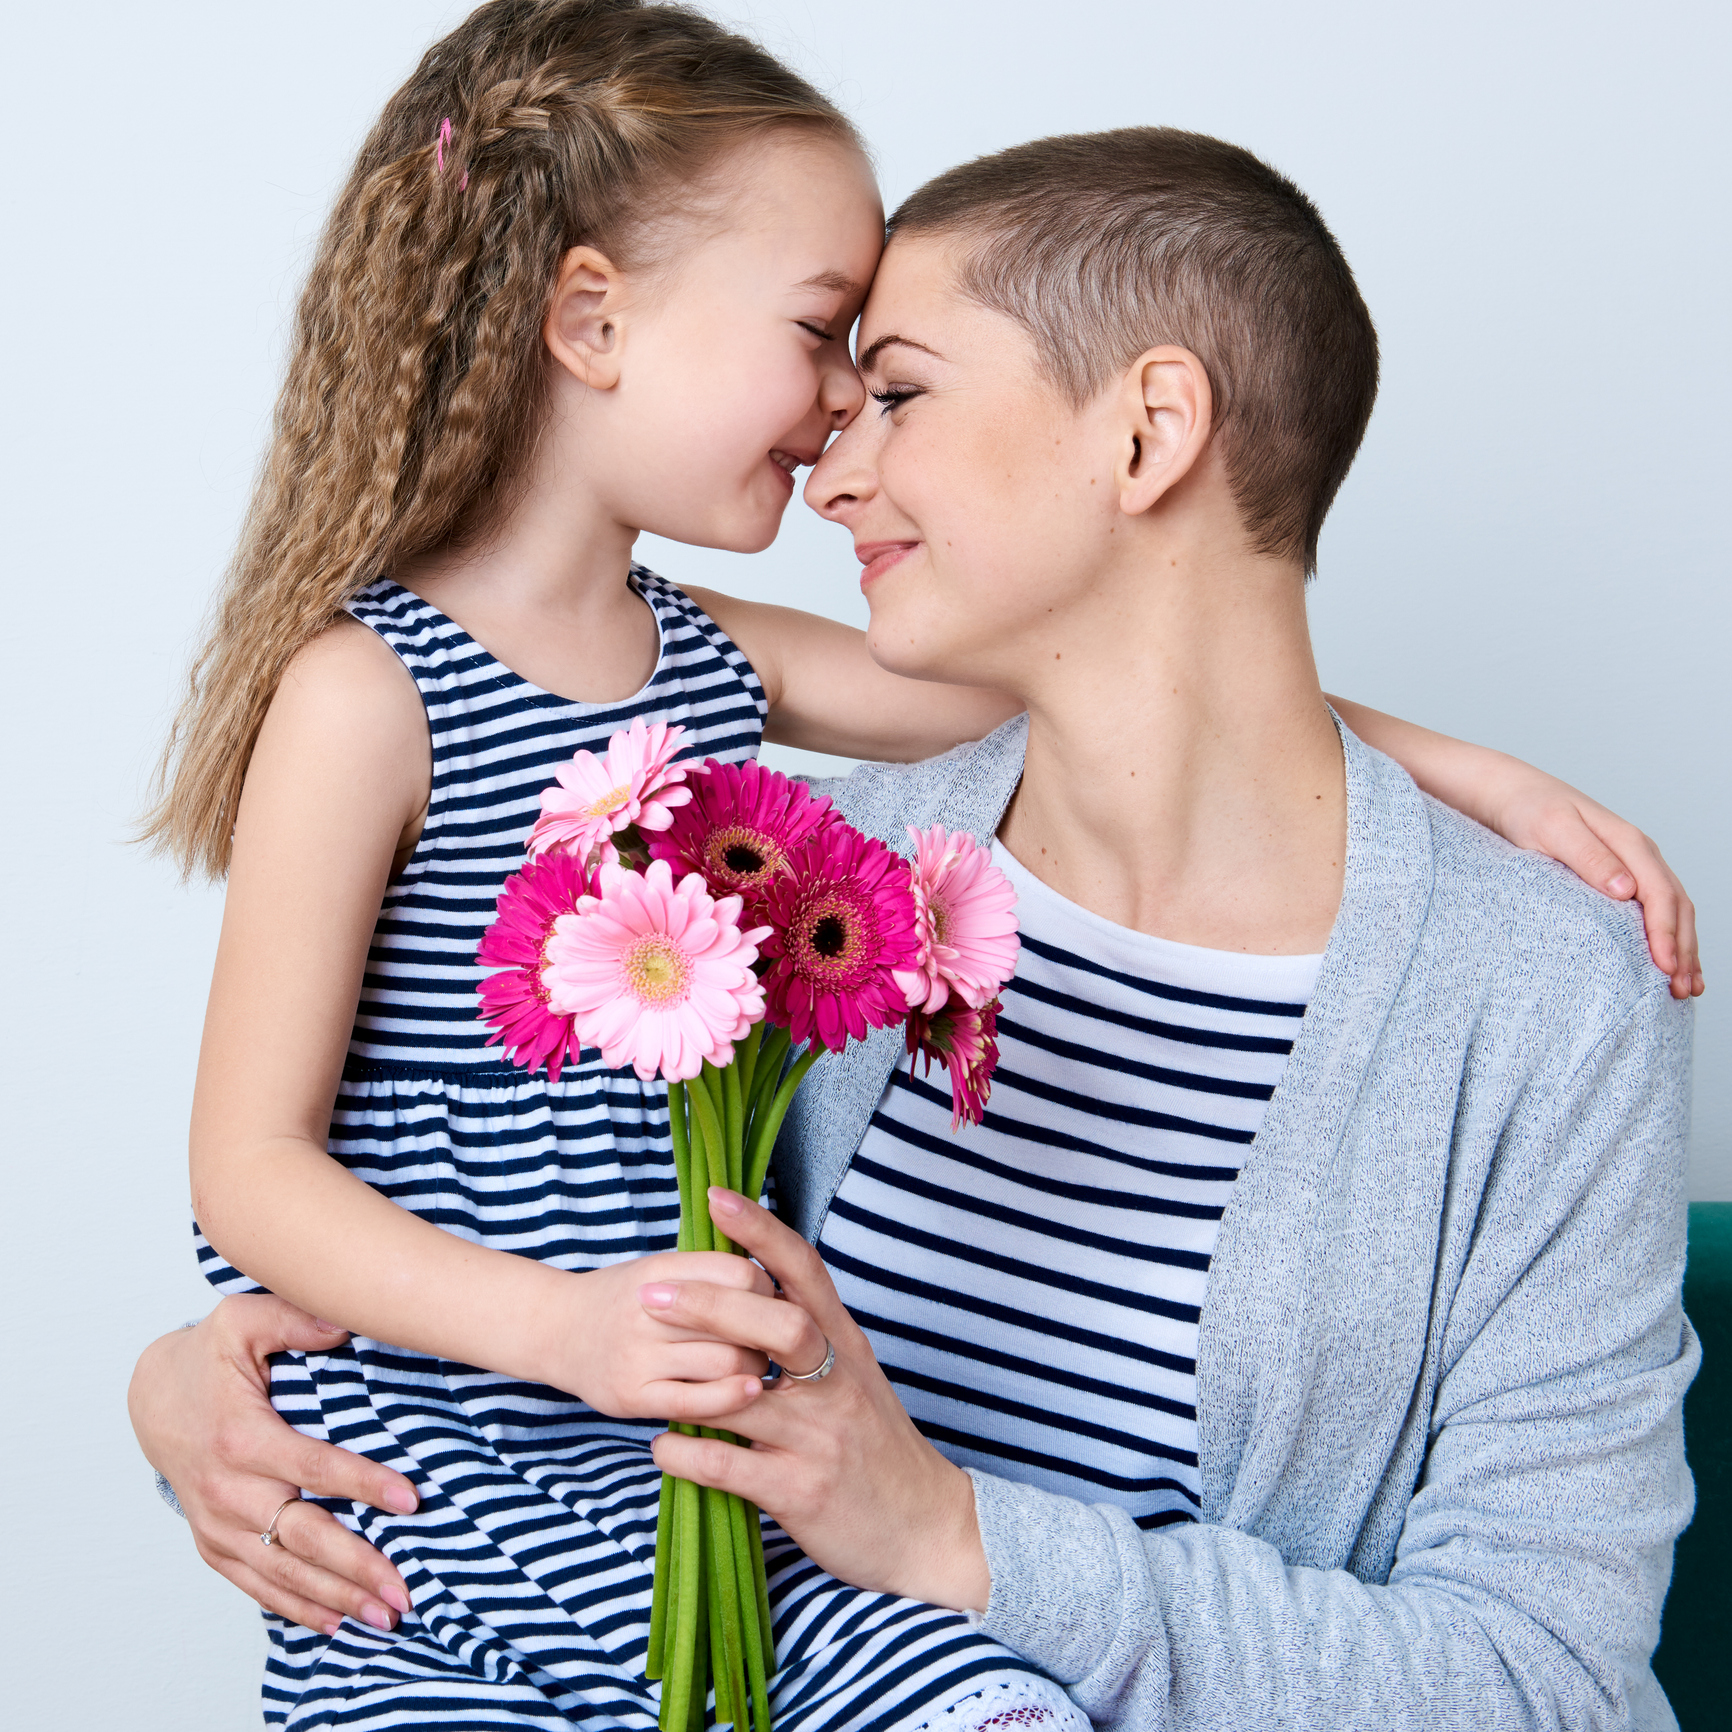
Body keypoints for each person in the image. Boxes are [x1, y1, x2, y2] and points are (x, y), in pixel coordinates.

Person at [131, 20, 1700, 1732]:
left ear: (1149, 430)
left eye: (896, 385)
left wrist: (945, 1534)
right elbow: (352, 1203)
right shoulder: (803, 889)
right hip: (547, 1558)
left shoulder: (1536, 995)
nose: (834, 457)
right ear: (586, 320)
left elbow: (1541, 1685)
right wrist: (189, 1392)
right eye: (824, 353)